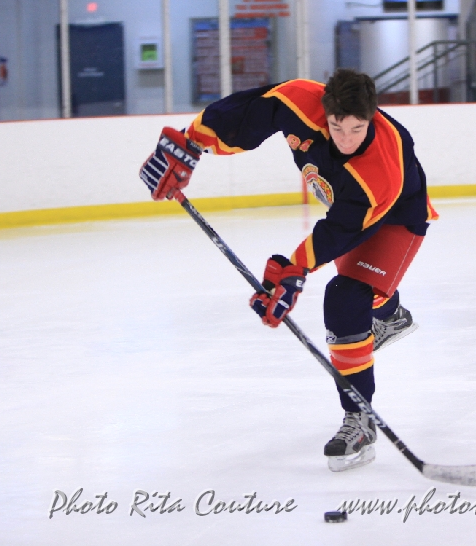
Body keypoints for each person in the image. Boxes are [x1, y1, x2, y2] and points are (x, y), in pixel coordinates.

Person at [139, 70, 437, 472]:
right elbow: (246, 113)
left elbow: (342, 230)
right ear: (325, 112)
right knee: (366, 296)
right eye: (337, 127)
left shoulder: (382, 169)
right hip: (350, 209)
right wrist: (191, 142)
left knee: (346, 298)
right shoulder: (299, 100)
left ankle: (359, 419)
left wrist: (294, 269)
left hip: (396, 216)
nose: (346, 139)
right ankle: (391, 315)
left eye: (357, 129)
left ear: (372, 117)